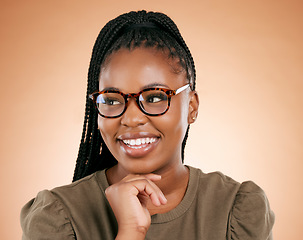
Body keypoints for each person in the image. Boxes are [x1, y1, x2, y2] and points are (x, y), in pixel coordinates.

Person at [20, 10, 275, 240]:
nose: (131, 119)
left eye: (154, 97)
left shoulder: (235, 210)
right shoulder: (57, 217)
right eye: (111, 100)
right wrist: (131, 232)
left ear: (192, 107)